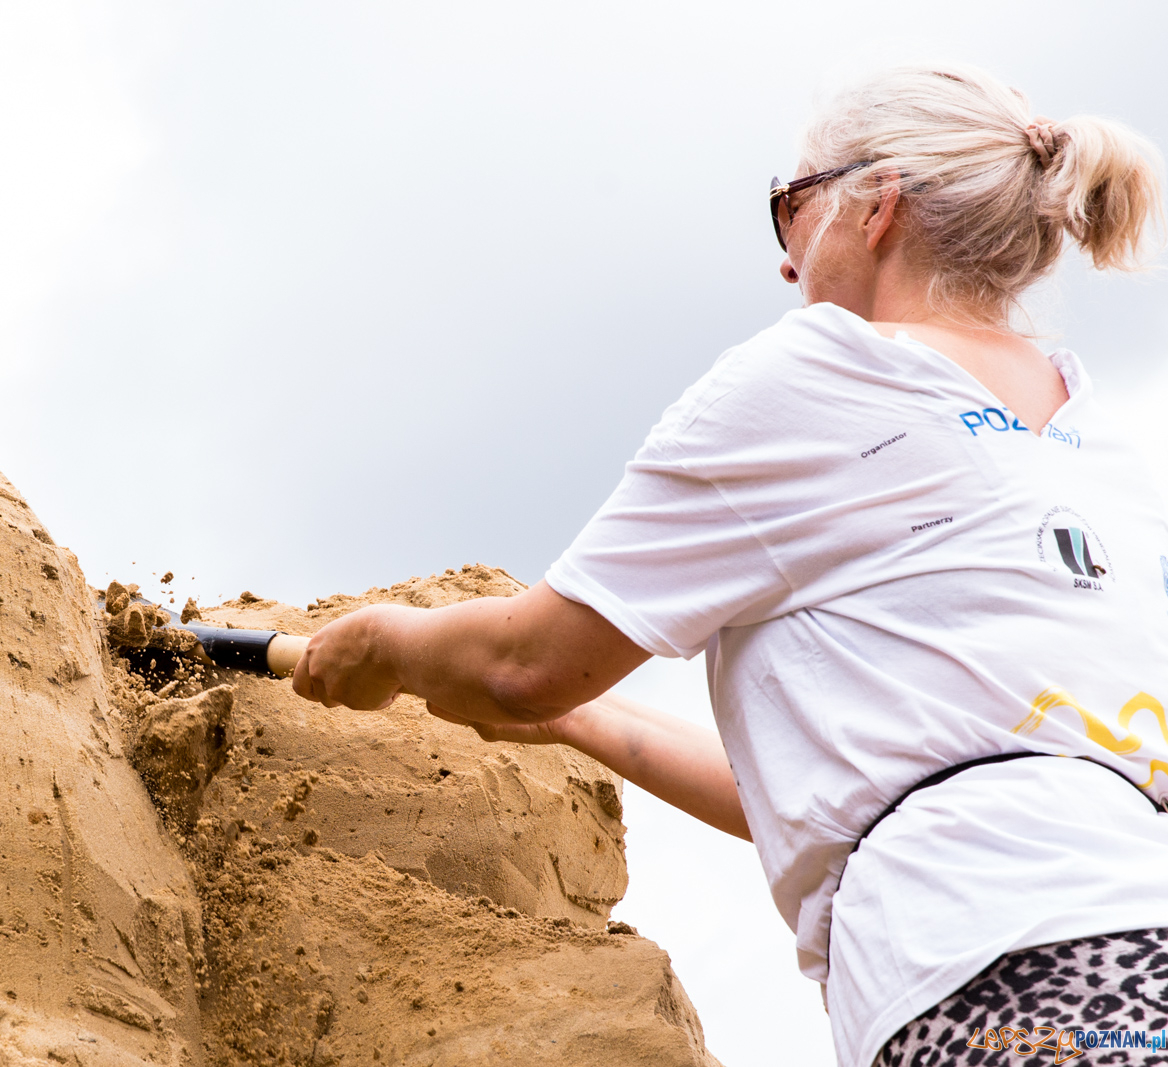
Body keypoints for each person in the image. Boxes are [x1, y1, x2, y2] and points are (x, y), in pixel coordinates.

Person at [291, 64, 1168, 1066]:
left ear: (875, 204)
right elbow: (847, 792)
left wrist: (383, 646)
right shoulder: (1107, 452)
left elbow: (517, 658)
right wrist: (584, 720)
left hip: (997, 969)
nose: (787, 264)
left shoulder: (819, 376)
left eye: (788, 208)